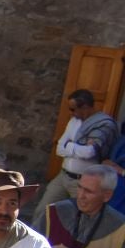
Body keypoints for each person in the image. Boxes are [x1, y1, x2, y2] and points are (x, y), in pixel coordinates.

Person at [33, 90, 119, 226]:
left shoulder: (104, 124)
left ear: (85, 107)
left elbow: (90, 152)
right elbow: (59, 148)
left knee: (79, 220)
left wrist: (70, 146)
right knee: (42, 211)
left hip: (84, 182)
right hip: (63, 176)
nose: (71, 112)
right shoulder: (74, 121)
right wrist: (77, 146)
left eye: (73, 109)